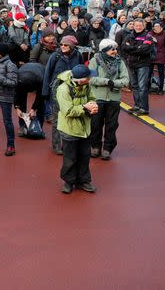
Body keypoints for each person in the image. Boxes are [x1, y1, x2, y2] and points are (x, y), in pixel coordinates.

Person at [56, 65, 99, 194]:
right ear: (81, 80)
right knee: (70, 157)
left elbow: (92, 98)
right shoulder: (63, 89)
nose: (91, 78)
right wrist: (85, 108)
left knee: (84, 156)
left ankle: (83, 181)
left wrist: (93, 105)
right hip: (69, 129)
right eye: (88, 77)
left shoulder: (86, 86)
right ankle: (68, 181)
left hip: (85, 128)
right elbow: (67, 111)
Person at [87, 39, 130, 160]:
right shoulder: (95, 61)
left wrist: (114, 83)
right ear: (104, 50)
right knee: (95, 124)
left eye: (115, 49)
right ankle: (95, 146)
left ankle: (107, 149)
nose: (115, 51)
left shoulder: (119, 62)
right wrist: (107, 81)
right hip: (97, 98)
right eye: (112, 49)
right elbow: (91, 78)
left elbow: (126, 80)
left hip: (114, 99)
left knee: (112, 125)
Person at [42, 34, 82, 154]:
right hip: (57, 91)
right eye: (62, 44)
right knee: (57, 118)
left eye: (66, 45)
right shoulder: (56, 55)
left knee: (70, 116)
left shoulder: (78, 55)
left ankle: (68, 143)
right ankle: (56, 145)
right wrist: (45, 93)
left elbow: (80, 72)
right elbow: (47, 73)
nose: (63, 46)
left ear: (72, 46)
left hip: (73, 90)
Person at [120, 19, 155, 116]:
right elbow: (123, 47)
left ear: (144, 26)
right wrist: (137, 48)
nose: (138, 27)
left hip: (143, 65)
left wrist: (131, 48)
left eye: (140, 25)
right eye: (136, 25)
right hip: (131, 64)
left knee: (142, 87)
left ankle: (144, 108)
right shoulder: (129, 36)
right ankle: (137, 105)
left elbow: (145, 50)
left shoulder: (148, 37)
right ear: (133, 26)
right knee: (134, 86)